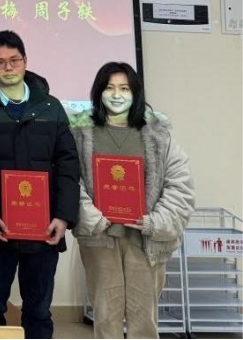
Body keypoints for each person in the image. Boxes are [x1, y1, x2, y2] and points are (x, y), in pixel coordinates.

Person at [0, 30, 80, 339]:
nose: (8, 67)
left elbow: (68, 163)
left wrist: (63, 216)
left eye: (14, 60)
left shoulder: (51, 107)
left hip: (44, 229)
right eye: (0, 62)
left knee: (38, 311)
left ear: (25, 61)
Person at [69, 62, 195, 339]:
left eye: (124, 88)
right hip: (101, 239)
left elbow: (180, 185)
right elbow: (70, 181)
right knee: (106, 317)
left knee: (144, 319)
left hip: (145, 240)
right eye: (110, 88)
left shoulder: (158, 134)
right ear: (98, 92)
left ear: (136, 93)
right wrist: (92, 217)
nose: (117, 95)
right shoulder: (80, 134)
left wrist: (155, 222)